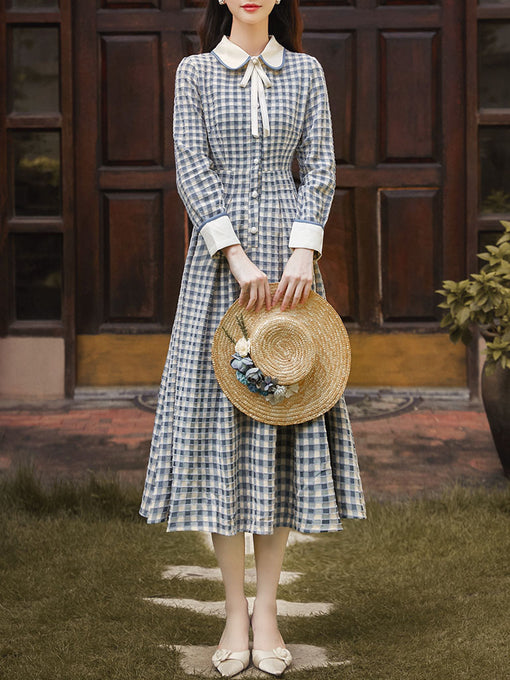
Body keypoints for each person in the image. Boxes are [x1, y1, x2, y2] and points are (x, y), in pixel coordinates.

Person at [139, 0, 366, 676]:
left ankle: (267, 610)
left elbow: (320, 165)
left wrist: (303, 253)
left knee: (281, 426)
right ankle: (233, 610)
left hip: (293, 283)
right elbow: (192, 167)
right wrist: (236, 257)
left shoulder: (307, 72)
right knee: (220, 436)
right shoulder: (195, 74)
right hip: (220, 272)